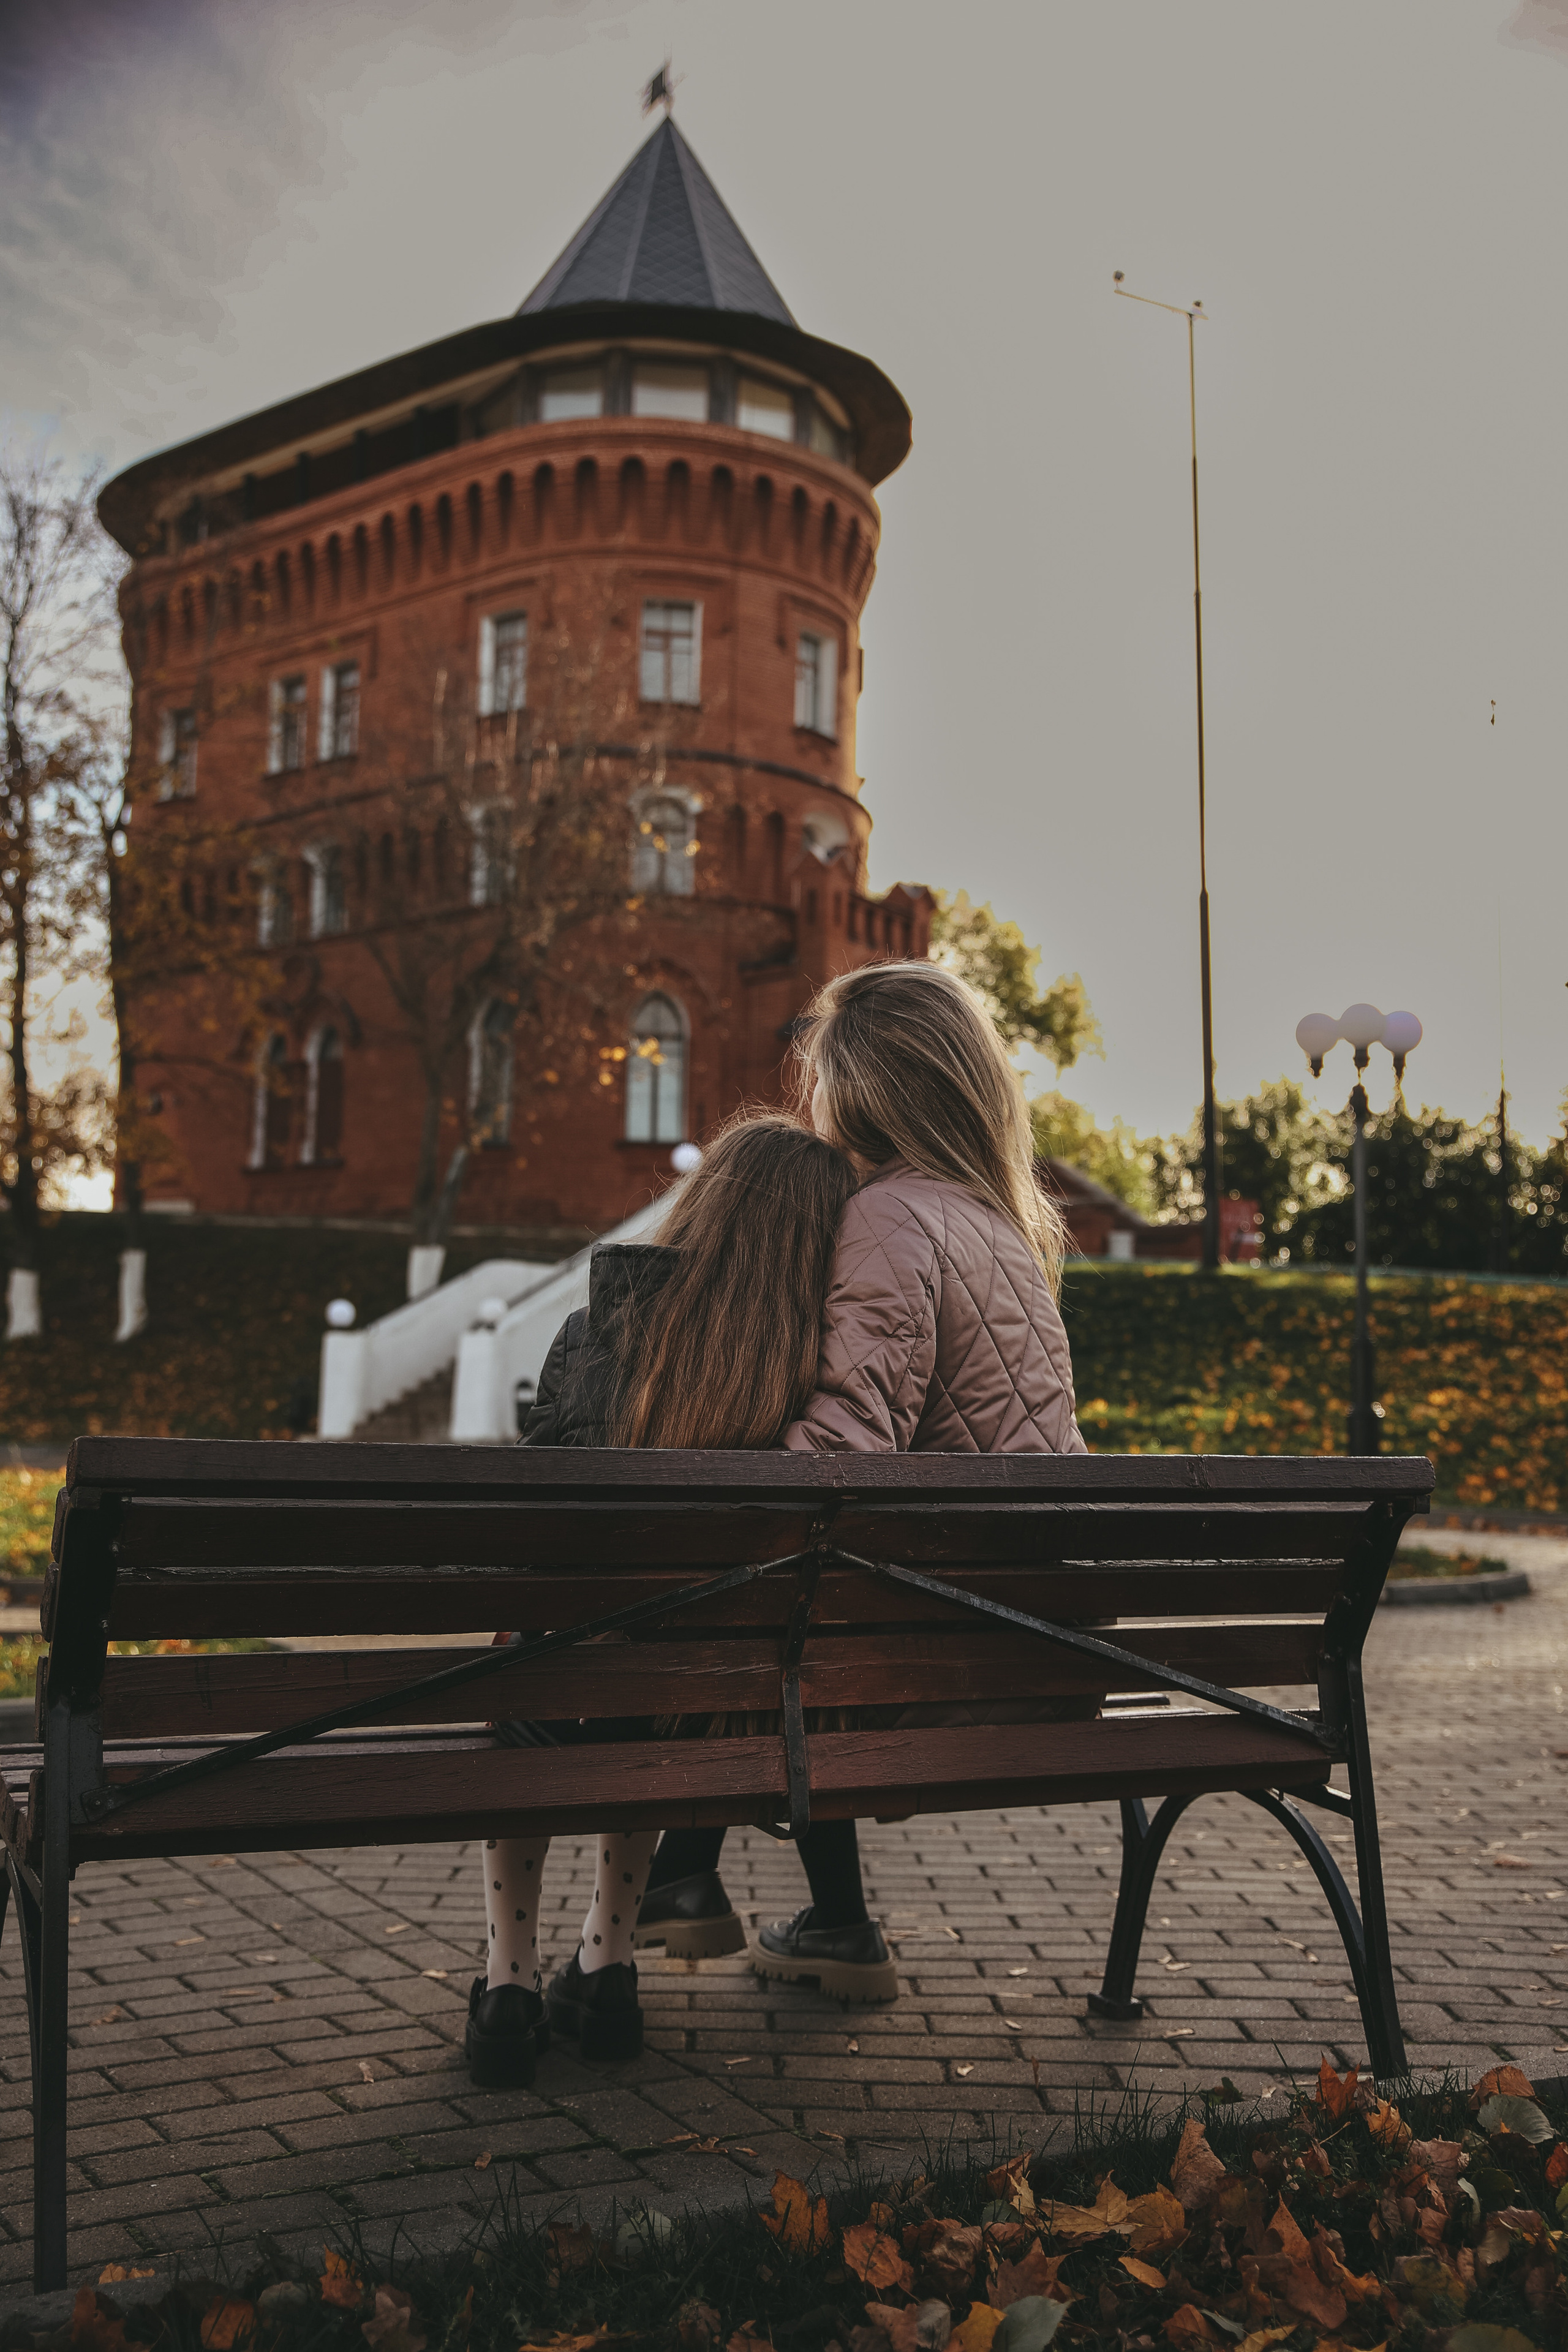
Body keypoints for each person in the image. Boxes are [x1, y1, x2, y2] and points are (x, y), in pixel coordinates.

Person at [636, 959, 1088, 2002]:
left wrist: (725, 1493)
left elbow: (844, 1451)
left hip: (938, 1661)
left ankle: (677, 1877)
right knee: (805, 1616)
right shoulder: (1000, 1229)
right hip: (1021, 1636)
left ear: (864, 1085)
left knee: (753, 1599)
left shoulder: (889, 1217)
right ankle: (817, 1920)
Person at [465, 1114, 858, 2089]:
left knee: (543, 1670)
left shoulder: (598, 1331)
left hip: (562, 1694)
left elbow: (529, 1532)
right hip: (706, 1708)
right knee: (652, 1689)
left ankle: (508, 1985)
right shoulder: (810, 1369)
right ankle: (607, 1967)